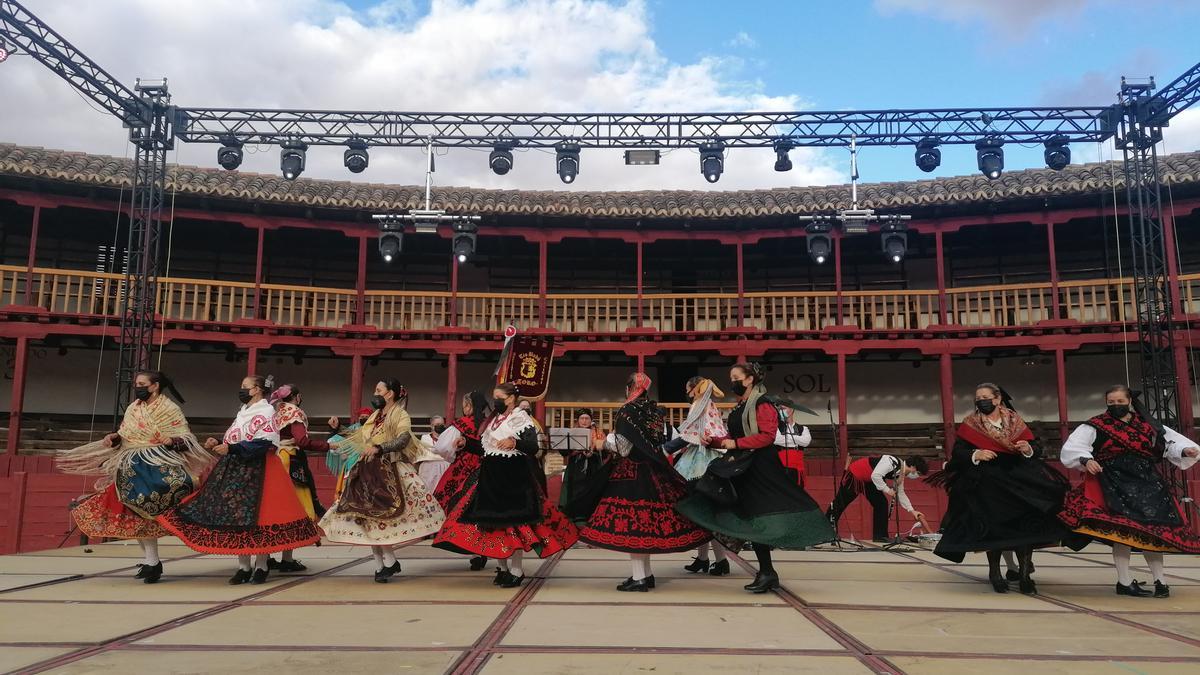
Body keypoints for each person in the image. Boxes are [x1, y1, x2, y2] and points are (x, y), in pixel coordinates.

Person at [677, 362, 836, 594]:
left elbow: (767, 437)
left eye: (736, 377)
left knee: (759, 516)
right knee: (750, 516)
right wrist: (715, 441)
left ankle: (766, 571)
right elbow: (734, 434)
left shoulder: (763, 403)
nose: (732, 382)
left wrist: (734, 443)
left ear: (750, 379)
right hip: (743, 465)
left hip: (760, 466)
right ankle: (765, 572)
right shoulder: (741, 406)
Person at [160, 375, 320, 585]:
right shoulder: (243, 412)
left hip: (260, 468)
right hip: (235, 466)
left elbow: (265, 443)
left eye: (245, 387)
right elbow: (236, 437)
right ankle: (244, 567)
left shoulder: (266, 411)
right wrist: (218, 442)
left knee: (262, 518)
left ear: (257, 390)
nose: (242, 390)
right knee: (235, 517)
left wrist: (232, 447)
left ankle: (261, 565)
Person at [59, 371, 211, 584]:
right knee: (136, 513)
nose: (137, 387)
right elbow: (125, 434)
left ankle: (153, 561)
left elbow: (186, 438)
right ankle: (151, 561)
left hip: (157, 466)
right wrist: (113, 438)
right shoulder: (133, 407)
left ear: (154, 386)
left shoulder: (169, 408)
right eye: (136, 383)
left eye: (141, 384)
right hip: (130, 467)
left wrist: (171, 441)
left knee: (154, 509)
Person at [929, 383, 1072, 595]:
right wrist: (976, 455)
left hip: (1019, 479)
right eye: (978, 398)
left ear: (997, 399)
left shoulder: (1014, 420)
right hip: (988, 480)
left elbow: (1037, 447)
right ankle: (995, 573)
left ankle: (1024, 575)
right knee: (994, 529)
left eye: (985, 397)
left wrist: (1028, 448)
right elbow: (958, 451)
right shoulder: (970, 423)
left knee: (1026, 527)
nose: (981, 401)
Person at [1058, 385, 1200, 598]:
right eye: (1111, 402)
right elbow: (1073, 447)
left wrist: (1184, 450)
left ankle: (1160, 581)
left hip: (1148, 481)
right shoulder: (1096, 424)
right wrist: (1087, 460)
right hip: (1114, 481)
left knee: (1153, 532)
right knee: (1122, 534)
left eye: (1120, 402)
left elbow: (1167, 442)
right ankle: (1124, 582)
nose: (1116, 406)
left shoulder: (1147, 423)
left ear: (1129, 401)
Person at [433, 383, 578, 588]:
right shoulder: (492, 421)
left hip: (513, 476)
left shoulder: (520, 418)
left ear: (511, 399)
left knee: (515, 523)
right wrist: (466, 443)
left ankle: (517, 571)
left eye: (499, 397)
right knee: (493, 524)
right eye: (495, 397)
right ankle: (502, 568)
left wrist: (515, 443)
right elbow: (485, 449)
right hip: (491, 475)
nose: (495, 401)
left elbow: (532, 447)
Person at [578, 373, 711, 592]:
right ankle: (645, 575)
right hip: (655, 471)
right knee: (646, 525)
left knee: (633, 527)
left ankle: (640, 577)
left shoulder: (627, 410)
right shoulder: (654, 412)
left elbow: (623, 448)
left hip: (632, 472)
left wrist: (603, 444)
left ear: (631, 387)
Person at [318, 379, 446, 582]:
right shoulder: (375, 416)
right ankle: (382, 565)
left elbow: (403, 439)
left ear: (390, 394)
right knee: (367, 518)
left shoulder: (400, 414)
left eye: (379, 390)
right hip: (367, 469)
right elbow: (359, 436)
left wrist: (380, 448)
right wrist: (339, 428)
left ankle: (388, 561)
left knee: (381, 517)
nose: (375, 393)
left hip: (389, 469)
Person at [670, 376, 732, 576]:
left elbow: (689, 432)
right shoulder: (711, 404)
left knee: (704, 512)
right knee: (703, 513)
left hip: (698, 462)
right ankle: (703, 559)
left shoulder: (698, 404)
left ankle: (721, 560)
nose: (687, 393)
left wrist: (667, 448)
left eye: (688, 389)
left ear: (694, 389)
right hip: (713, 458)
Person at [268, 384, 327, 573]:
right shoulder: (295, 413)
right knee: (294, 508)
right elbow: (302, 441)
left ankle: (266, 556)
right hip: (290, 460)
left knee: (272, 508)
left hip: (273, 460)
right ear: (297, 397)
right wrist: (327, 446)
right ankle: (287, 558)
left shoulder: (275, 412)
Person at [432, 390, 492, 571]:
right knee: (480, 509)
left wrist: (452, 457)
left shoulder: (459, 424)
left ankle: (469, 547)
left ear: (471, 406)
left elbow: (442, 447)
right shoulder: (489, 423)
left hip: (463, 469)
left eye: (466, 405)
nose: (464, 408)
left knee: (457, 506)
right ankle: (481, 550)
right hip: (486, 468)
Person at [827, 455, 930, 542]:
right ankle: (825, 531)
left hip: (869, 480)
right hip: (856, 474)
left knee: (881, 503)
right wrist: (888, 490)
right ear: (913, 467)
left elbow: (901, 493)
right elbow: (876, 475)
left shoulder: (901, 474)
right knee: (840, 503)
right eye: (918, 473)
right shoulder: (891, 462)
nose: (917, 476)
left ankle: (880, 536)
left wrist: (912, 511)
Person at [326, 407, 372, 501]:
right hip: (351, 459)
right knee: (347, 483)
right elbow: (347, 437)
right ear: (359, 417)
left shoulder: (373, 428)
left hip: (368, 459)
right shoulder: (354, 428)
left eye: (366, 416)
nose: (364, 418)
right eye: (362, 416)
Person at [775, 406, 812, 486]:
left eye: (784, 408)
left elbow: (806, 442)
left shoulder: (803, 428)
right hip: (781, 464)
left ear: (791, 410)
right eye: (779, 409)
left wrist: (786, 437)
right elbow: (776, 439)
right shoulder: (776, 427)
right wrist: (797, 439)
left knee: (798, 489)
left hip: (797, 466)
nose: (781, 411)